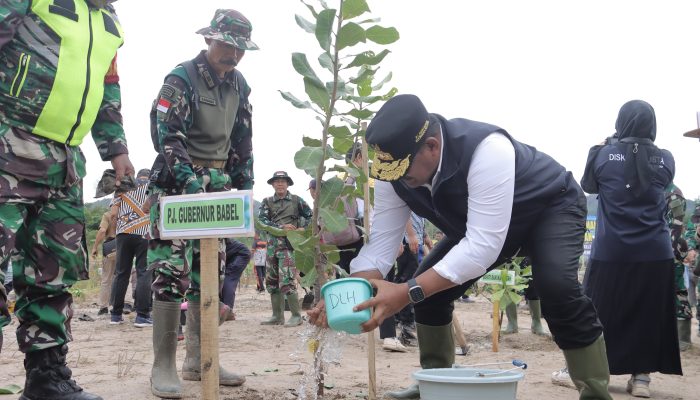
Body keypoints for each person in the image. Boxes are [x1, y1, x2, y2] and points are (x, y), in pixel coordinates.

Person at [308, 94, 612, 400]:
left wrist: (407, 291)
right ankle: (434, 383)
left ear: (432, 146)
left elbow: (482, 247)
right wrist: (345, 296)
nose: (398, 179)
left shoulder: (487, 150)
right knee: (429, 296)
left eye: (403, 169)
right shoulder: (393, 172)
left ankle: (595, 392)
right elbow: (381, 247)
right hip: (476, 226)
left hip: (548, 209)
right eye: (391, 173)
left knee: (557, 287)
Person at [0, 1, 133, 399]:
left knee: (52, 272)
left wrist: (117, 150)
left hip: (65, 163)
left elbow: (108, 87)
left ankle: (46, 377)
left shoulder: (109, 20)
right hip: (8, 142)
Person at [146, 8, 257, 398]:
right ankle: (163, 365)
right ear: (210, 40)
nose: (233, 55)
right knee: (170, 273)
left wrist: (245, 193)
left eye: (240, 49)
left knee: (208, 272)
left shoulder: (239, 84)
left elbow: (243, 143)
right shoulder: (182, 77)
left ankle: (199, 358)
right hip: (177, 187)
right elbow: (168, 136)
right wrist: (190, 183)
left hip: (219, 187)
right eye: (227, 45)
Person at [580, 100, 679, 398]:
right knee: (647, 313)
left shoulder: (601, 155)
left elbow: (589, 186)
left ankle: (591, 371)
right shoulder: (666, 159)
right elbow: (658, 180)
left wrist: (608, 144)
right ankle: (642, 379)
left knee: (596, 311)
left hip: (612, 249)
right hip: (655, 251)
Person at [258, 171, 312, 327]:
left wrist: (303, 229)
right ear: (272, 184)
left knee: (287, 280)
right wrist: (280, 226)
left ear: (288, 183)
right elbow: (262, 221)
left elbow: (311, 216)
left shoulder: (296, 201)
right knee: (272, 282)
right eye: (277, 181)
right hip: (271, 247)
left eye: (283, 181)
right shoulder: (267, 201)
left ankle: (296, 316)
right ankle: (277, 316)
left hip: (288, 246)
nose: (280, 183)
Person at [91, 207, 118, 316]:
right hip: (125, 246)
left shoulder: (108, 215)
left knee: (106, 278)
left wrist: (94, 247)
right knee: (124, 276)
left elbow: (102, 230)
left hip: (110, 247)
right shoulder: (128, 214)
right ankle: (125, 304)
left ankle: (103, 307)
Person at [220, 238, 252, 319]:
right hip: (232, 256)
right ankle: (223, 310)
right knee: (222, 279)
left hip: (241, 255)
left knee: (228, 279)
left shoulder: (214, 239)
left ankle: (227, 313)